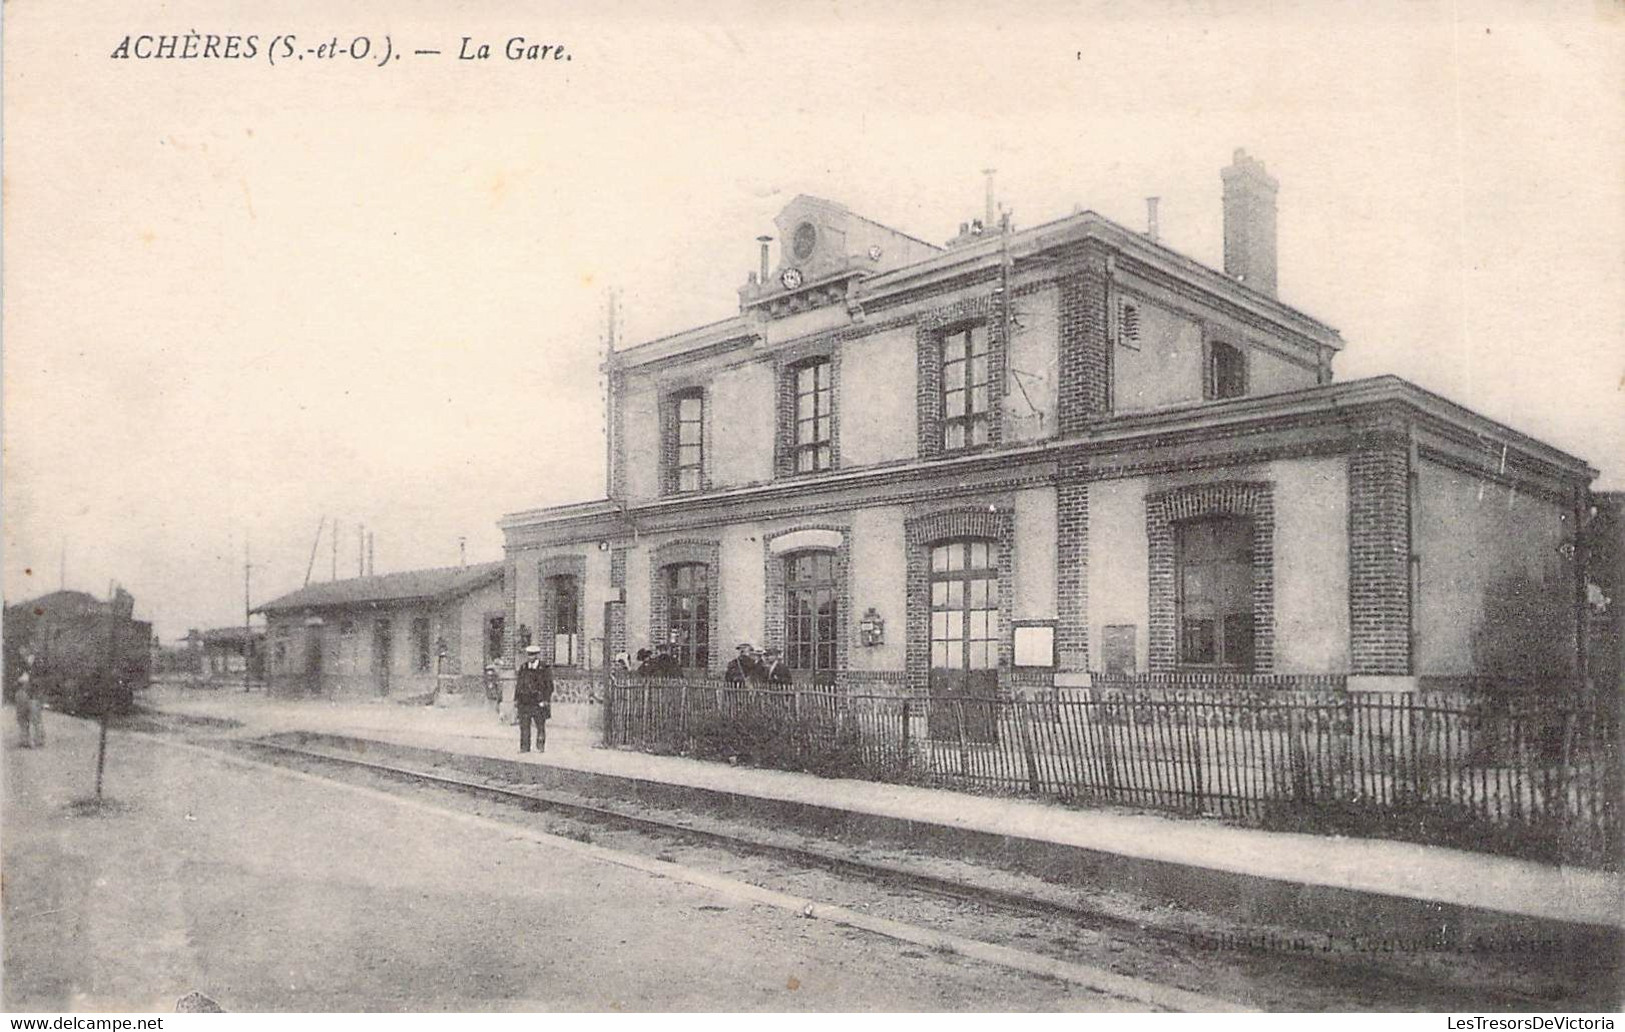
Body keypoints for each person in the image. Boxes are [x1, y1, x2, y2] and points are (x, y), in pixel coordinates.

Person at [514, 644, 554, 754]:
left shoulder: (544, 668)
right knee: (524, 725)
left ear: (537, 656)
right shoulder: (523, 668)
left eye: (532, 655)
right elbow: (519, 685)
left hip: (538, 702)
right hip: (525, 702)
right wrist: (516, 699)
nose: (530, 657)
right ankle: (524, 747)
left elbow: (549, 686)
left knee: (540, 725)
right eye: (529, 655)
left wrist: (545, 700)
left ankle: (540, 746)